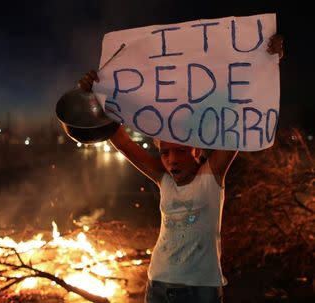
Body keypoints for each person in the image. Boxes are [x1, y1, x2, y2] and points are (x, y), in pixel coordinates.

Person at [77, 34, 283, 303]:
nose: (172, 159)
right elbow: (122, 142)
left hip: (202, 291)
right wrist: (94, 93)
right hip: (159, 285)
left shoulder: (212, 177)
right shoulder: (164, 179)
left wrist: (267, 62)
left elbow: (240, 120)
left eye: (181, 151)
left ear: (197, 149)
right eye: (165, 153)